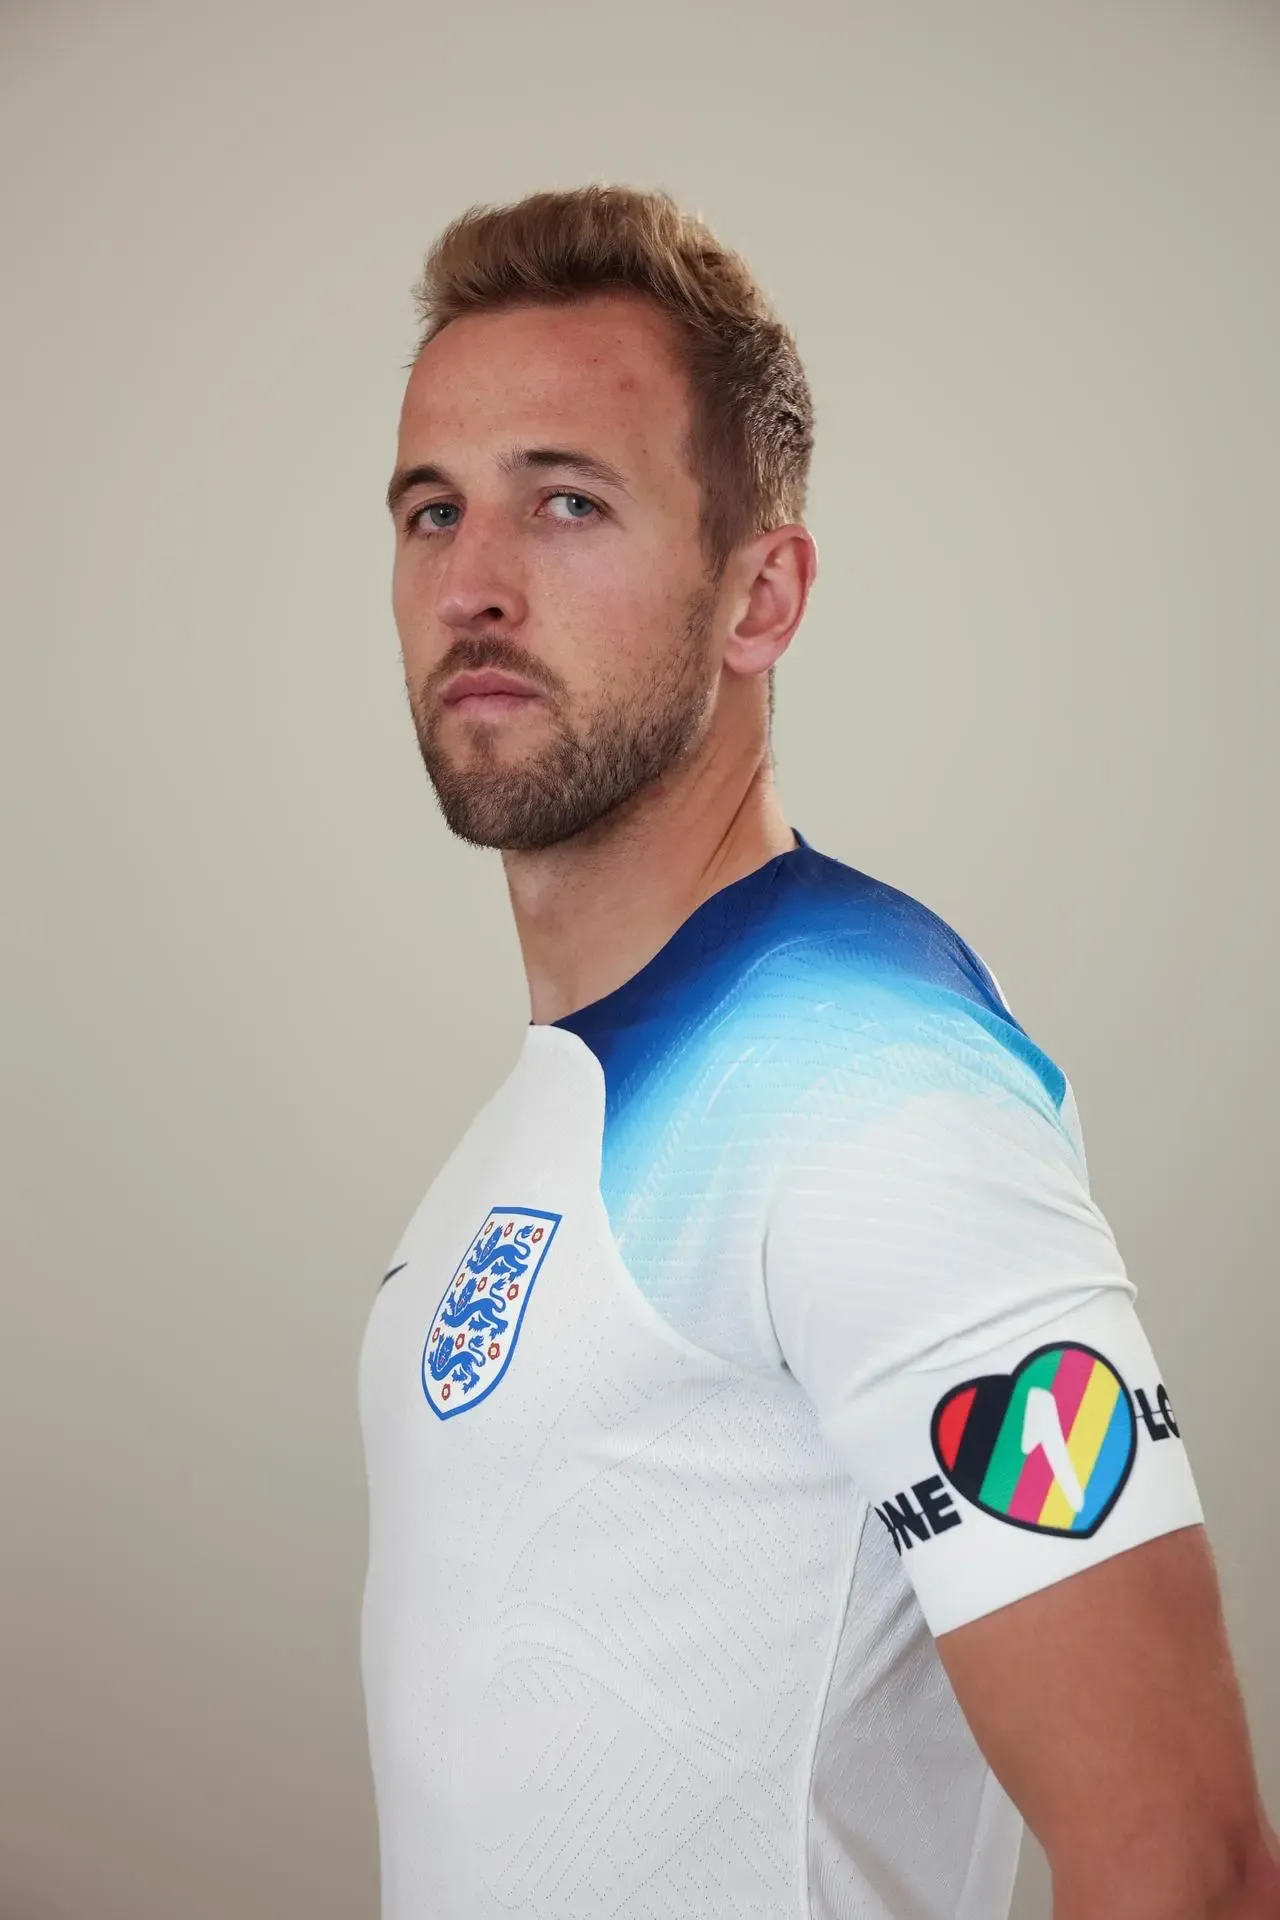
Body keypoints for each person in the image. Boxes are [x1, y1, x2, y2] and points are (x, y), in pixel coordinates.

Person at [360, 184, 1278, 1919]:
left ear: (759, 596)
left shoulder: (870, 1081)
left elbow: (1188, 1862)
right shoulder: (550, 1099)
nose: (471, 584)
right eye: (430, 510)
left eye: (565, 501)